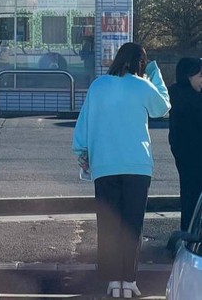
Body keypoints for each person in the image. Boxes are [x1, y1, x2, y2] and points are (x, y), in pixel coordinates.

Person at [72, 42, 170, 299]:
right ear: (140, 62)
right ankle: (129, 281)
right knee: (131, 224)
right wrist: (154, 72)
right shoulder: (142, 85)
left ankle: (112, 281)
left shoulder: (98, 85)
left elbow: (85, 120)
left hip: (104, 165)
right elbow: (163, 107)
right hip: (137, 164)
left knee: (108, 224)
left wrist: (82, 152)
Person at [168, 57, 202, 232]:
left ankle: (188, 233)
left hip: (184, 156)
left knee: (189, 197)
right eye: (200, 76)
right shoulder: (193, 99)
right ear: (188, 76)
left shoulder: (175, 93)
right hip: (195, 156)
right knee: (195, 199)